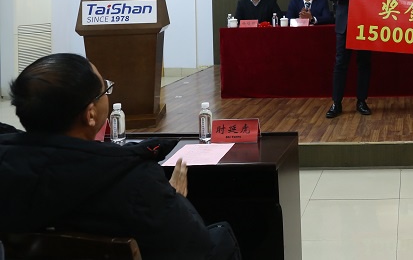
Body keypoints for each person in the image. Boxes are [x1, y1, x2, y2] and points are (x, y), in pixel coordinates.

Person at [0, 53, 241, 260]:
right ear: (90, 114)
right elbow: (195, 247)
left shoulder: (8, 166)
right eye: (104, 89)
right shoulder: (135, 181)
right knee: (221, 237)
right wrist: (174, 199)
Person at [326, 0, 384, 118]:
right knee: (340, 64)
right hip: (345, 24)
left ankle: (362, 101)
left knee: (364, 64)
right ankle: (336, 103)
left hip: (366, 25)